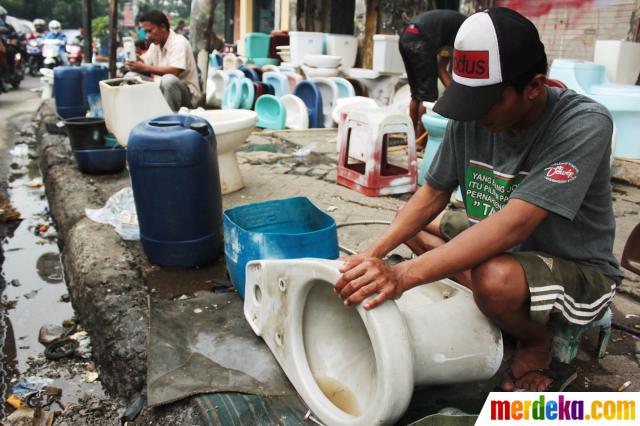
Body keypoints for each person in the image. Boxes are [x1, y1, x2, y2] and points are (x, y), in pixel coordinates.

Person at [336, 7, 621, 393]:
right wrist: (374, 255)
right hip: (499, 235)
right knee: (413, 228)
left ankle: (536, 340)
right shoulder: (473, 115)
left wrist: (402, 275)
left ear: (534, 86)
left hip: (576, 267)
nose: (475, 114)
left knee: (493, 277)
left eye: (487, 102)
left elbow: (516, 224)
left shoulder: (584, 123)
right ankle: (487, 292)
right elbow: (433, 193)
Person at [399, 9, 465, 144]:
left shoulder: (455, 26)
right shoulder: (465, 32)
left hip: (406, 36)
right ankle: (419, 143)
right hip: (420, 41)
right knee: (427, 98)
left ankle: (411, 139)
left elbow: (441, 67)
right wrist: (458, 93)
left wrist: (454, 93)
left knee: (416, 95)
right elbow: (444, 68)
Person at [125, 10, 201, 111]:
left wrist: (144, 67)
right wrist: (135, 61)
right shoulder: (154, 46)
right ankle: (140, 115)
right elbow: (144, 62)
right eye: (146, 32)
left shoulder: (179, 42)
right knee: (130, 77)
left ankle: (170, 121)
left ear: (163, 27)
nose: (147, 35)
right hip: (161, 87)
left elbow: (174, 71)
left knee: (168, 80)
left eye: (150, 31)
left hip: (187, 95)